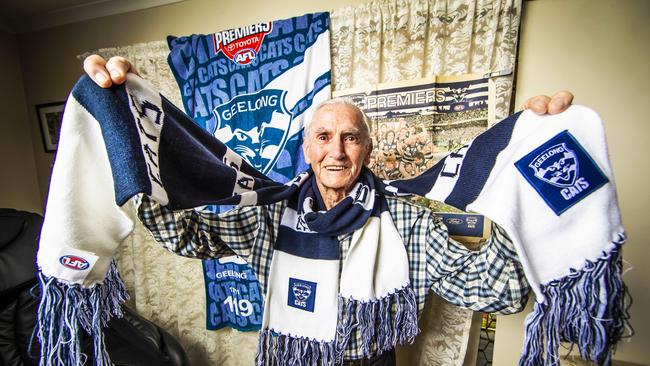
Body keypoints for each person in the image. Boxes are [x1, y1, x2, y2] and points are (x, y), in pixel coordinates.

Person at [82, 55, 575, 365]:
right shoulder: (267, 215)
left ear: (366, 147)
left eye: (350, 137)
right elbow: (182, 234)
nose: (336, 151)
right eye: (324, 136)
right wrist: (132, 137)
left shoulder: (406, 221)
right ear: (307, 147)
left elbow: (504, 293)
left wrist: (530, 181)